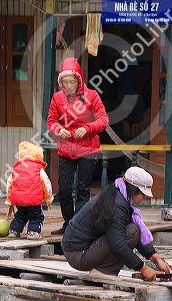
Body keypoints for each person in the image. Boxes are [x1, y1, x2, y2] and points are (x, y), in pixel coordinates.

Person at [62, 167, 170, 280]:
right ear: (134, 190)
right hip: (78, 254)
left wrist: (156, 259)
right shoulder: (117, 204)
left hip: (82, 251)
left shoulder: (119, 193)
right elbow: (118, 245)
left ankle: (104, 270)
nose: (143, 199)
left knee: (133, 230)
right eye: (143, 195)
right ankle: (103, 271)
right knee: (132, 232)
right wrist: (143, 268)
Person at [47, 57, 109, 235]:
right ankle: (68, 223)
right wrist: (59, 129)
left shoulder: (91, 96)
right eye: (64, 82)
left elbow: (103, 120)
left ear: (79, 80)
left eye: (71, 81)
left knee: (83, 190)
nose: (68, 85)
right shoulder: (57, 98)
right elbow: (51, 122)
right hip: (66, 150)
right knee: (64, 190)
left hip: (88, 149)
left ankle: (79, 227)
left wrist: (88, 128)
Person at [5, 141, 53, 240]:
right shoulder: (39, 169)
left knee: (20, 215)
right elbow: (46, 184)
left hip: (19, 200)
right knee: (37, 216)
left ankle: (14, 230)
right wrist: (48, 199)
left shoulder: (16, 168)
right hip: (34, 200)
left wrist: (10, 202)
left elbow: (10, 184)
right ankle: (33, 232)